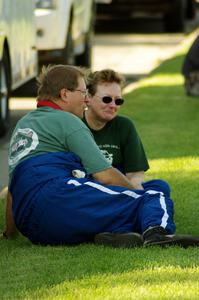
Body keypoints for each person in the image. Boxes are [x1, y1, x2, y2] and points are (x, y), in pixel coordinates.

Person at [2, 64, 199, 248]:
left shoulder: (23, 125)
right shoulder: (67, 121)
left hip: (34, 227)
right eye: (83, 92)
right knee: (153, 197)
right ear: (64, 94)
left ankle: (112, 232)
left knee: (144, 193)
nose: (86, 100)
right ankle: (157, 233)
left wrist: (9, 233)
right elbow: (103, 175)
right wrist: (136, 195)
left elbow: (13, 190)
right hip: (59, 198)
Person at [83, 69, 149, 190]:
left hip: (121, 186)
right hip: (88, 186)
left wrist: (136, 191)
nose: (113, 105)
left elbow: (135, 174)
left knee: (161, 186)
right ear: (89, 98)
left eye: (118, 101)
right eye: (107, 99)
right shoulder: (75, 124)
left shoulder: (125, 126)